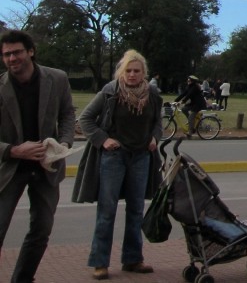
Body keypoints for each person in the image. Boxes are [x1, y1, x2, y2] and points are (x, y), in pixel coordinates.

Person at [75, 49, 162, 280]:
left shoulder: (152, 94)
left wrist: (154, 138)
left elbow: (157, 123)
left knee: (136, 210)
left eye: (137, 71)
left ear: (144, 73)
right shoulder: (110, 91)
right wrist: (103, 140)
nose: (132, 75)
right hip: (114, 157)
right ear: (121, 72)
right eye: (128, 70)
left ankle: (133, 259)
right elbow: (85, 119)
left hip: (141, 157)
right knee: (107, 210)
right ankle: (100, 262)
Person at [0, 30, 76, 283]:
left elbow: (67, 114)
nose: (12, 59)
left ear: (30, 51)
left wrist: (63, 143)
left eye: (17, 52)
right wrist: (13, 150)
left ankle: (22, 279)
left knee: (41, 230)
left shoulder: (57, 78)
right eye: (7, 54)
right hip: (10, 169)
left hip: (46, 168)